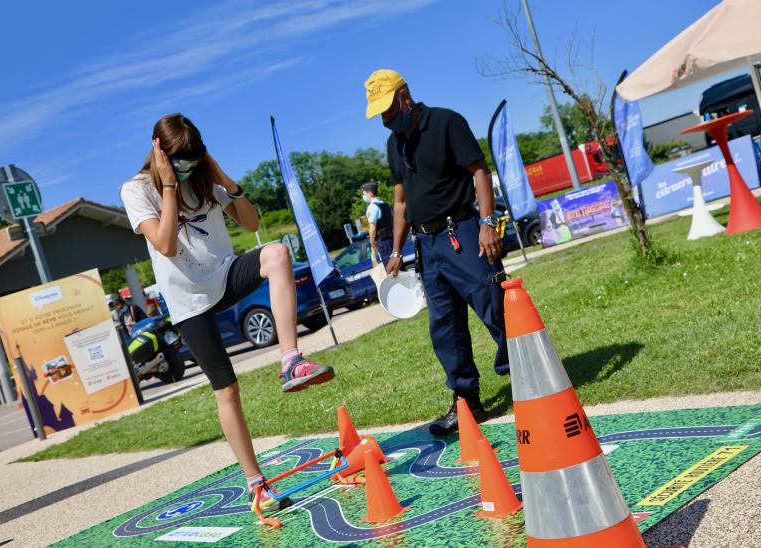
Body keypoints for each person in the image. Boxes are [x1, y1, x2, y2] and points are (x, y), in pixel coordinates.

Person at [120, 113, 335, 512]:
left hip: (223, 275)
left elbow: (252, 222)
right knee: (228, 390)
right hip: (188, 302)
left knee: (277, 254)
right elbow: (165, 244)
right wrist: (169, 184)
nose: (186, 167)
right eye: (179, 160)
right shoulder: (136, 190)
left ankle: (291, 361)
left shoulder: (204, 179)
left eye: (192, 159)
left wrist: (223, 178)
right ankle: (256, 483)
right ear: (159, 151)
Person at [364, 69, 510, 436]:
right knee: (445, 327)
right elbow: (399, 200)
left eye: (387, 109)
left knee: (494, 304)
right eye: (379, 113)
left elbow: (479, 171)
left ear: (405, 97)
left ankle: (530, 376)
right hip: (425, 246)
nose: (385, 119)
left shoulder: (447, 122)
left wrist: (487, 223)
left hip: (460, 231)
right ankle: (466, 403)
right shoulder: (394, 144)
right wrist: (395, 250)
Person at [361, 182, 394, 262]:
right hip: (392, 238)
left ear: (369, 193)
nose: (363, 196)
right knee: (398, 265)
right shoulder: (386, 204)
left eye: (364, 193)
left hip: (383, 241)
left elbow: (372, 228)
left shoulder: (372, 207)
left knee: (390, 267)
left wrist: (372, 243)